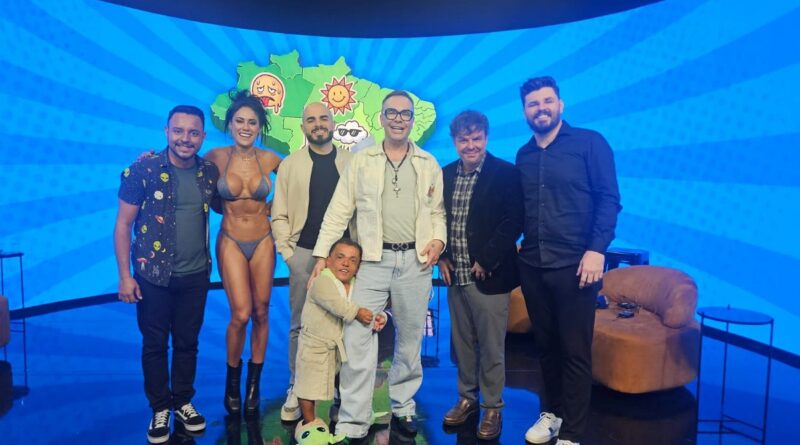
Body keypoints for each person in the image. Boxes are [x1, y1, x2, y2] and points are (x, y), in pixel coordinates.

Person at [310, 90, 446, 443]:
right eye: (392, 113)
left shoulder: (428, 162)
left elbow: (437, 213)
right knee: (358, 337)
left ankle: (403, 405)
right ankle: (354, 418)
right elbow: (339, 210)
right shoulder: (362, 160)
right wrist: (322, 256)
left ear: (412, 120)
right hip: (372, 260)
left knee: (411, 339)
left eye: (405, 113)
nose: (399, 119)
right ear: (381, 118)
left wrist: (438, 240)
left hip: (415, 262)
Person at [516, 76, 621, 445]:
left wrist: (597, 250)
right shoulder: (524, 155)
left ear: (560, 104)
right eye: (533, 104)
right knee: (546, 346)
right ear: (525, 111)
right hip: (533, 265)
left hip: (578, 266)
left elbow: (609, 199)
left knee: (575, 351)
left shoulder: (590, 143)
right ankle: (552, 414)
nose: (541, 108)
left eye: (547, 101)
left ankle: (572, 432)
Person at [114, 105, 218, 444]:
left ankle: (183, 401)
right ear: (166, 132)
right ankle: (160, 407)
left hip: (196, 275)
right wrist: (125, 276)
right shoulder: (142, 169)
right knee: (155, 344)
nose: (185, 139)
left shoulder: (209, 172)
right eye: (178, 131)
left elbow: (231, 204)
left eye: (193, 132)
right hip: (152, 276)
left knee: (188, 343)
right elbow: (123, 225)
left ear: (203, 136)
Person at [438, 111, 523, 440]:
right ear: (454, 141)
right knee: (462, 346)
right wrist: (442, 256)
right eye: (464, 139)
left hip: (490, 277)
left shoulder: (506, 173)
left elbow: (514, 221)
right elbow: (437, 219)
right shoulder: (445, 174)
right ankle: (467, 399)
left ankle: (492, 407)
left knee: (491, 348)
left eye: (476, 138)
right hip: (455, 277)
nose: (470, 145)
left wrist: (487, 259)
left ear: (486, 138)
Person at [272, 102, 353, 421]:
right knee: (300, 325)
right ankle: (297, 385)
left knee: (344, 323)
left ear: (332, 123)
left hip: (344, 258)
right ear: (303, 127)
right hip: (304, 255)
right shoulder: (290, 165)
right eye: (310, 120)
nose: (318, 124)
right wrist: (290, 256)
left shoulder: (351, 161)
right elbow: (278, 214)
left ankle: (340, 387)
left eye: (323, 118)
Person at [205, 91, 281, 417]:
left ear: (260, 126)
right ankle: (231, 380)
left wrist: (276, 208)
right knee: (240, 314)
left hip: (263, 239)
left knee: (262, 312)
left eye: (252, 122)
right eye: (240, 121)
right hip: (231, 240)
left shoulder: (271, 159)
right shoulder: (215, 157)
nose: (246, 127)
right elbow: (191, 180)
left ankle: (253, 385)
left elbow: (298, 184)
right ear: (230, 124)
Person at [293, 239, 385, 444]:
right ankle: (309, 424)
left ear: (358, 267)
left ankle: (344, 410)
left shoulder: (355, 285)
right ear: (328, 261)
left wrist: (378, 317)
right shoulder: (322, 281)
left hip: (338, 345)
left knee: (341, 380)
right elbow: (336, 304)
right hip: (315, 345)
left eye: (353, 260)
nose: (346, 263)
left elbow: (369, 306)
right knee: (308, 384)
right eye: (340, 257)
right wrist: (358, 312)